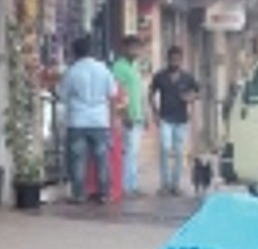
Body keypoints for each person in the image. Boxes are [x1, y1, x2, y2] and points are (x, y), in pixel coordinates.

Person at [56, 35, 117, 203]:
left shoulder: (72, 71)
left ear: (75, 53)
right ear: (91, 51)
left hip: (78, 120)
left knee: (78, 159)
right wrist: (112, 121)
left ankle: (79, 194)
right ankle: (104, 193)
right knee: (102, 159)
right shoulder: (104, 69)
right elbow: (112, 94)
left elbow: (62, 94)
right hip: (99, 121)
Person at [150, 46, 200, 196]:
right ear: (168, 59)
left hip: (181, 119)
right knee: (165, 149)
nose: (175, 61)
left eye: (178, 59)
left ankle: (175, 185)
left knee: (179, 152)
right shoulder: (160, 76)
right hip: (165, 118)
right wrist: (155, 114)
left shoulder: (187, 77)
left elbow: (198, 92)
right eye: (172, 59)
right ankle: (164, 184)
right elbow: (150, 94)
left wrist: (191, 98)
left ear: (181, 60)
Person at [111, 35, 146, 197]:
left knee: (134, 152)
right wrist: (125, 115)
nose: (136, 51)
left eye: (138, 47)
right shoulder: (118, 67)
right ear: (124, 48)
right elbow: (117, 93)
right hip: (127, 117)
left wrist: (144, 115)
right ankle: (126, 186)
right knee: (128, 152)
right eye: (132, 47)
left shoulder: (136, 67)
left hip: (138, 115)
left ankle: (133, 185)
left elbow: (140, 93)